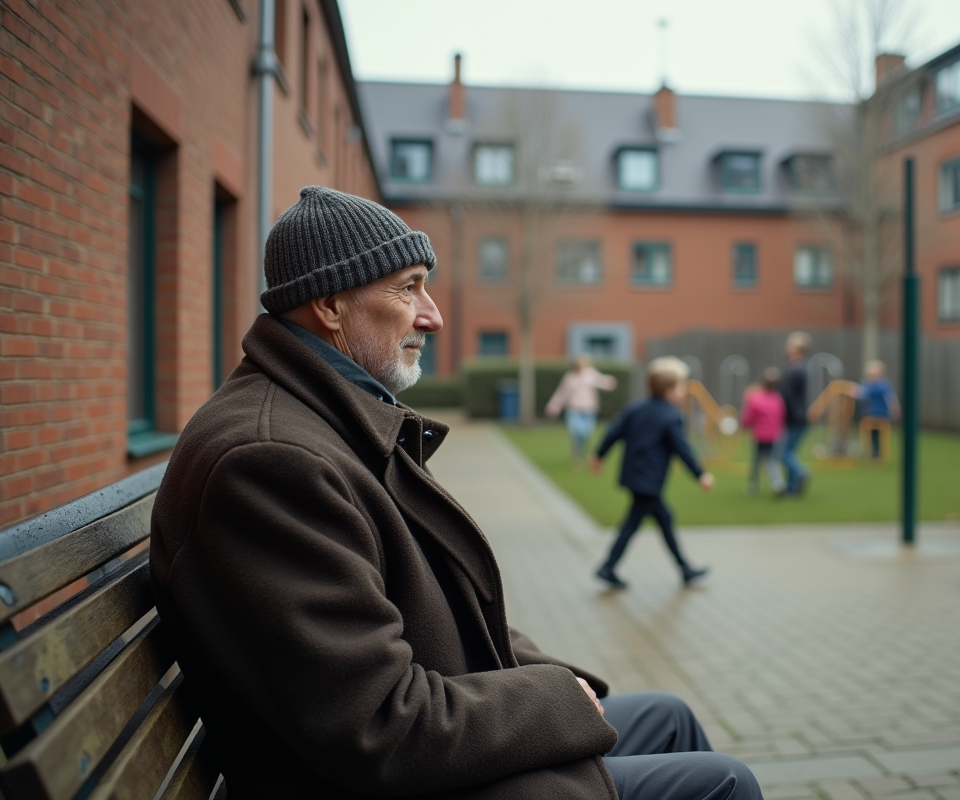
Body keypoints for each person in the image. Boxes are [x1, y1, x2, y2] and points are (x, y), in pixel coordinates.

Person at [150, 187, 763, 800]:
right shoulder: (270, 460)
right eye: (407, 287)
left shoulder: (328, 420)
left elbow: (451, 607)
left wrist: (556, 682)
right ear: (331, 304)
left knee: (668, 714)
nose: (433, 315)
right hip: (396, 780)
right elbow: (378, 725)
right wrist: (551, 699)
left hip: (443, 735)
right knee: (724, 784)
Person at [591, 356, 715, 589]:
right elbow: (683, 449)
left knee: (662, 520)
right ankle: (608, 567)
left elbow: (613, 431)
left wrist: (599, 455)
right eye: (680, 387)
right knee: (635, 524)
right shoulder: (671, 416)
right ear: (669, 391)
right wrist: (701, 474)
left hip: (634, 476)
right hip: (648, 481)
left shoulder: (636, 407)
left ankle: (684, 569)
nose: (683, 392)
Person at [545, 354, 618, 467]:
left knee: (586, 434)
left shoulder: (590, 374)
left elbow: (601, 381)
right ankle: (577, 456)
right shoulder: (569, 377)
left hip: (589, 410)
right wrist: (554, 406)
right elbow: (561, 393)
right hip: (575, 410)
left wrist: (609, 382)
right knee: (577, 432)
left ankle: (582, 453)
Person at [740, 367, 786, 496]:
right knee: (772, 460)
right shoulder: (778, 399)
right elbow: (781, 417)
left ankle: (753, 486)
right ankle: (777, 482)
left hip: (760, 436)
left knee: (756, 461)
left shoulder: (756, 399)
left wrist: (743, 427)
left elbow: (749, 417)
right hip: (775, 435)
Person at [779, 331, 812, 496]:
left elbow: (787, 396)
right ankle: (791, 488)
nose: (786, 348)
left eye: (790, 345)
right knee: (788, 451)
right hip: (796, 417)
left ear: (797, 349)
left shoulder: (795, 370)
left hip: (794, 418)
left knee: (783, 453)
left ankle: (800, 472)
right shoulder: (797, 368)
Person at [858, 359, 900, 460]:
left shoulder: (882, 385)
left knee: (876, 431)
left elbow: (890, 398)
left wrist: (894, 409)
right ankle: (873, 452)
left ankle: (877, 453)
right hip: (869, 412)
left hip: (879, 413)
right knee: (873, 433)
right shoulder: (867, 384)